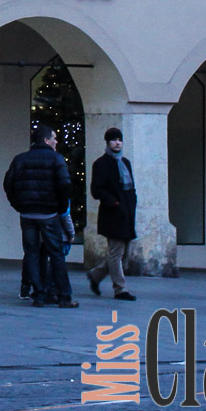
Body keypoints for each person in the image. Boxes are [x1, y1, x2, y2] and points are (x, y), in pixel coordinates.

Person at [4, 125, 77, 309]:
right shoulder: (56, 159)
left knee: (32, 253)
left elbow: (8, 183)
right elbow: (64, 184)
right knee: (56, 253)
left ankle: (38, 295)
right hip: (49, 213)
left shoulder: (20, 159)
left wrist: (18, 204)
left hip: (27, 213)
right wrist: (60, 208)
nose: (56, 141)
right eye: (54, 138)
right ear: (46, 140)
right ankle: (64, 296)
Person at [86, 127, 137, 302]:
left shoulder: (126, 163)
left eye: (119, 140)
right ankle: (120, 288)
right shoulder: (101, 164)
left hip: (127, 214)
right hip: (113, 214)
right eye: (114, 140)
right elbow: (96, 190)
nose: (117, 143)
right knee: (116, 252)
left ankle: (95, 275)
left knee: (123, 254)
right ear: (107, 143)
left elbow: (131, 188)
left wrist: (132, 204)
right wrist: (114, 202)